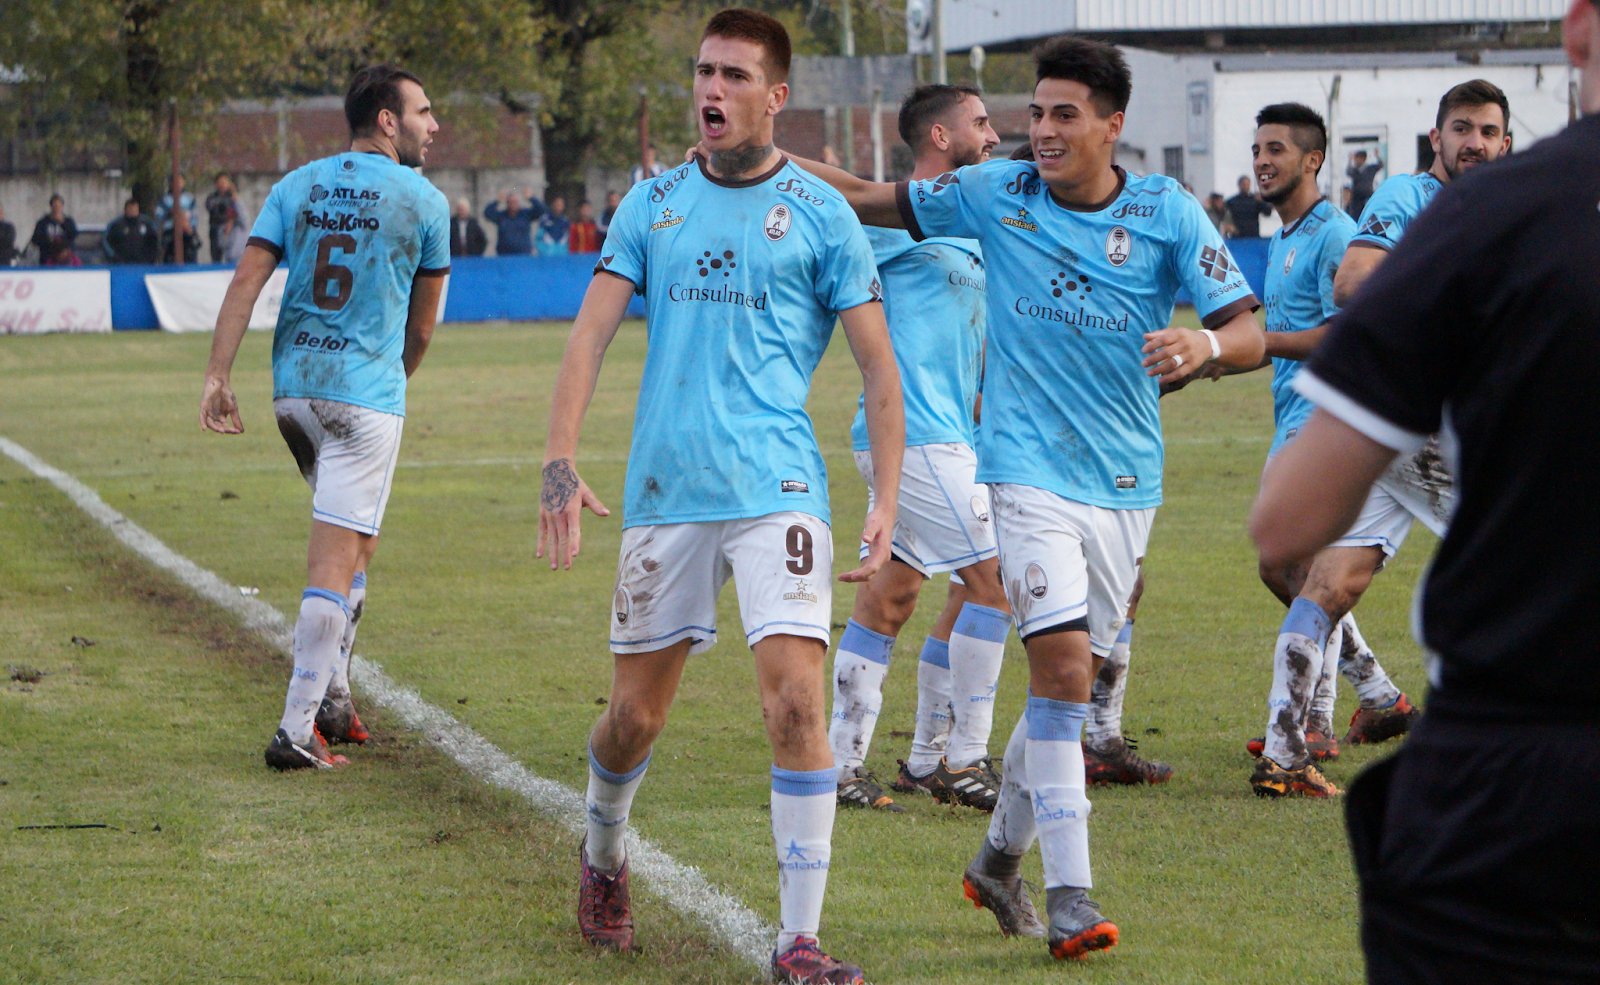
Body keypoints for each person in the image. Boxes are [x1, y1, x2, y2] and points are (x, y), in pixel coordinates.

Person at [775, 35, 1266, 962]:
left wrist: (1206, 350)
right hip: (1022, 471)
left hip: (1125, 484)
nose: (1039, 131)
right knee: (1066, 672)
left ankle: (999, 856)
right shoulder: (995, 194)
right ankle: (1071, 894)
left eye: (1063, 115)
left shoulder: (1167, 213)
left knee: (1066, 692)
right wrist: (764, 153)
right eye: (1035, 112)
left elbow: (1246, 326)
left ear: (1112, 127)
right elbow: (873, 197)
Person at [540, 11, 900, 982]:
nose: (713, 89)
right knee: (634, 720)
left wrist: (886, 496)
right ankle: (604, 855)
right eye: (704, 71)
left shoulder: (824, 215)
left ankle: (799, 940)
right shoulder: (650, 205)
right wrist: (560, 459)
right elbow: (588, 337)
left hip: (779, 487)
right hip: (668, 490)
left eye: (735, 75)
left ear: (774, 97)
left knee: (794, 702)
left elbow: (876, 366)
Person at [1252, 5, 1600, 979]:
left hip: (1509, 781)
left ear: (1574, 33)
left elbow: (1282, 513)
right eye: (1465, 132)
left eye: (1491, 134)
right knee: (1328, 574)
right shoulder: (1423, 198)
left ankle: (1322, 726)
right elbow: (1361, 278)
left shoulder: (1490, 210)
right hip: (1425, 439)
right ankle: (1303, 736)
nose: (1477, 146)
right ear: (1439, 137)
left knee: (1313, 568)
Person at [197, 64, 449, 772]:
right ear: (387, 120)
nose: (435, 125)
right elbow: (423, 329)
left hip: (294, 396)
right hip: (364, 396)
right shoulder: (425, 201)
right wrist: (392, 383)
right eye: (425, 111)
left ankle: (335, 697)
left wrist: (218, 375)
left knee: (356, 543)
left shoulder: (297, 184)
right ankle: (296, 727)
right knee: (333, 565)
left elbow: (246, 281)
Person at [816, 83, 1010, 818]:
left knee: (894, 595)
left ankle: (851, 764)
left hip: (944, 437)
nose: (992, 134)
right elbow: (848, 194)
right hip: (917, 437)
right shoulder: (891, 223)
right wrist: (754, 154)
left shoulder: (967, 225)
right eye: (981, 122)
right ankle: (959, 758)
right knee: (997, 579)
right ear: (938, 135)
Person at [1234, 102, 1417, 797]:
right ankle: (1374, 697)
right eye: (1257, 148)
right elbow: (1277, 337)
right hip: (1292, 414)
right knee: (1291, 570)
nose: (1261, 160)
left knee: (1297, 568)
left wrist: (1254, 345)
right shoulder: (1285, 237)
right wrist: (1221, 358)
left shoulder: (1338, 234)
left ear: (1313, 160)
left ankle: (1317, 723)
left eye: (1276, 148)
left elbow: (1344, 332)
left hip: (1326, 418)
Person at [483, 189, 542, 255]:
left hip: (523, 254)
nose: (513, 204)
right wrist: (498, 200)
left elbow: (541, 210)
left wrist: (531, 198)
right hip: (504, 254)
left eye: (515, 202)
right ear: (507, 203)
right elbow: (487, 213)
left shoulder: (526, 214)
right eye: (511, 202)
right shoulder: (501, 216)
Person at [156, 175, 200, 263]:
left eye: (180, 181)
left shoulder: (189, 197)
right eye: (175, 181)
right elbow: (159, 213)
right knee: (169, 255)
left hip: (186, 230)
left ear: (184, 182)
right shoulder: (165, 198)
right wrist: (171, 213)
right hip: (170, 230)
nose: (178, 184)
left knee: (189, 256)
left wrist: (189, 224)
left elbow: (195, 213)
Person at [103, 198, 161, 264]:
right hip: (122, 266)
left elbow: (154, 242)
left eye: (135, 209)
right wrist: (114, 257)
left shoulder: (147, 224)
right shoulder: (116, 225)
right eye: (130, 209)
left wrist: (151, 259)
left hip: (143, 265)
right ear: (125, 210)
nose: (133, 211)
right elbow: (106, 242)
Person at [206, 173, 243, 262]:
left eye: (224, 182)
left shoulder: (232, 197)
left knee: (231, 257)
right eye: (220, 182)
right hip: (216, 229)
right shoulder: (212, 198)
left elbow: (240, 212)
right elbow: (211, 209)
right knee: (216, 258)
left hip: (231, 231)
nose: (222, 184)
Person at [31, 195, 79, 266]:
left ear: (62, 207)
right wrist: (48, 241)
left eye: (59, 206)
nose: (57, 208)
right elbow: (35, 239)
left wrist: (63, 223)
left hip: (65, 260)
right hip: (47, 258)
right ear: (51, 207)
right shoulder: (43, 222)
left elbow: (74, 236)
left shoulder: (68, 222)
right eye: (55, 205)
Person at [1344, 149, 1383, 219]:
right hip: (1356, 199)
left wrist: (1377, 156)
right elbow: (1348, 172)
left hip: (1367, 196)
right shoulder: (1355, 171)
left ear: (1363, 159)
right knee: (1356, 217)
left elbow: (1381, 165)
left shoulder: (1370, 169)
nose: (1356, 161)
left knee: (1368, 215)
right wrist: (1349, 161)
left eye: (1357, 159)